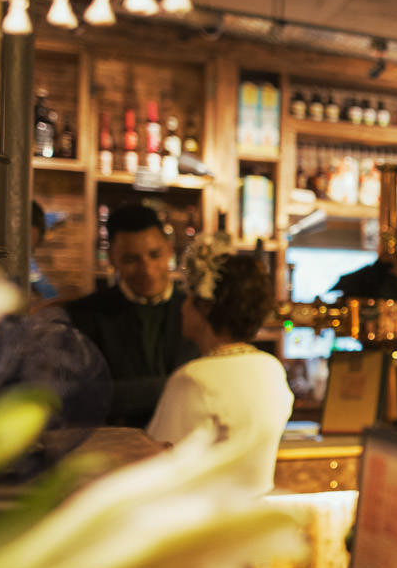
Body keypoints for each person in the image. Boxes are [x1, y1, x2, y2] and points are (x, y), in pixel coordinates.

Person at [147, 235, 293, 495]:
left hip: (206, 522)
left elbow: (160, 466)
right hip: (254, 516)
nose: (183, 308)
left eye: (189, 298)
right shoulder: (271, 368)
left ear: (204, 307)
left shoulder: (194, 379)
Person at [66, 204, 198, 427]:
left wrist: (130, 392)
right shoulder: (84, 315)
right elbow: (84, 396)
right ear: (112, 259)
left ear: (169, 250)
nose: (147, 269)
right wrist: (176, 387)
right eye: (131, 259)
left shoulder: (197, 311)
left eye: (154, 255)